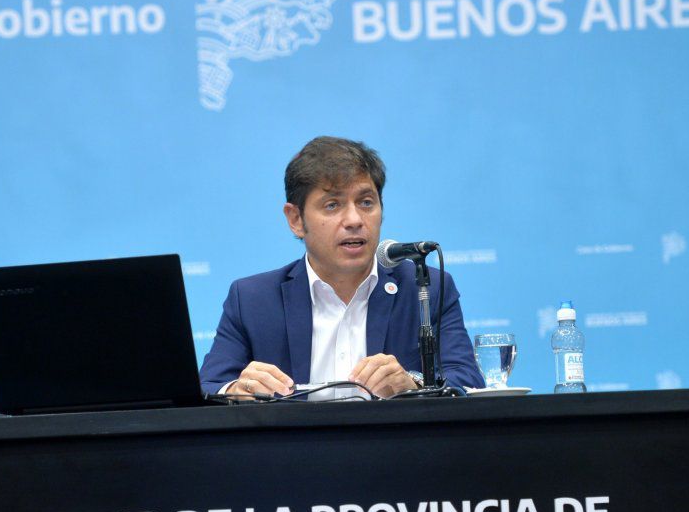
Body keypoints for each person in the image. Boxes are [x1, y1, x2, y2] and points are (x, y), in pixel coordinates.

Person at [199, 136, 484, 399]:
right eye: (332, 205)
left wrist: (413, 384)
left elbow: (469, 382)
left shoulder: (425, 288)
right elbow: (207, 387)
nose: (355, 220)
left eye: (366, 202)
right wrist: (237, 389)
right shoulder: (252, 299)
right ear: (296, 219)